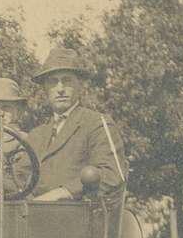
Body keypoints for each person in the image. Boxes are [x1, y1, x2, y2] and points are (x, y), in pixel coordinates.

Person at [28, 47, 127, 201]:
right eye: (53, 82)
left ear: (79, 84)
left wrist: (64, 192)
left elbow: (113, 174)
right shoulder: (36, 135)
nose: (60, 89)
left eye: (67, 80)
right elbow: (18, 179)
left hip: (80, 217)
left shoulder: (97, 124)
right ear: (45, 89)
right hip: (36, 217)